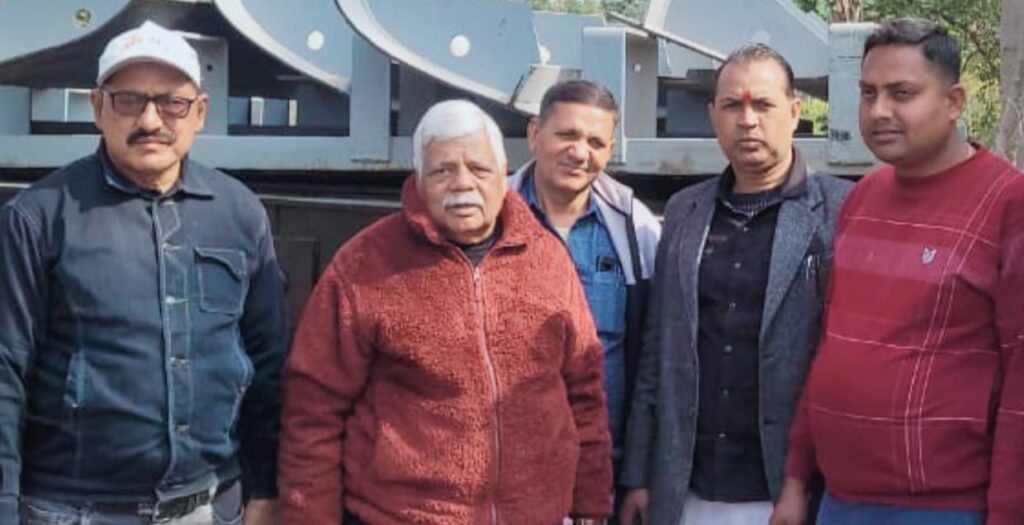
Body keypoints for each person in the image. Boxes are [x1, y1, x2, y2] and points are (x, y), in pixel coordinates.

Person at [0, 20, 287, 525]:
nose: (151, 120)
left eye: (172, 102)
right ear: (97, 107)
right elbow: (5, 373)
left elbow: (269, 364)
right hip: (71, 511)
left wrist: (266, 487)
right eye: (129, 100)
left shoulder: (239, 213)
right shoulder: (38, 218)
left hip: (210, 507)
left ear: (199, 112)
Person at [277, 99, 613, 525]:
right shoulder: (364, 265)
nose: (463, 184)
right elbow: (313, 412)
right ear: (418, 180)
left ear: (503, 172)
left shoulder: (547, 258)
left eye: (479, 169)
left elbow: (584, 393)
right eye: (442, 171)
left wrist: (590, 507)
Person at [773, 18, 1024, 525]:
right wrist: (797, 480)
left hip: (946, 508)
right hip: (839, 500)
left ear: (953, 102)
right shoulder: (862, 198)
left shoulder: (1007, 204)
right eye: (868, 93)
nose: (879, 111)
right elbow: (831, 346)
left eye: (901, 93)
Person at [618, 44, 851, 525]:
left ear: (794, 112)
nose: (747, 121)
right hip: (689, 486)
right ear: (712, 115)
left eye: (763, 104)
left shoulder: (840, 210)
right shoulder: (685, 211)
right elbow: (658, 349)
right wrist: (639, 473)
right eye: (732, 105)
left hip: (789, 490)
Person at [508, 80, 661, 497]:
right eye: (567, 135)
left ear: (610, 150)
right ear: (534, 133)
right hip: (506, 478)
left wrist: (637, 477)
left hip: (600, 476)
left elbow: (653, 360)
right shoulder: (490, 220)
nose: (580, 153)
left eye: (595, 142)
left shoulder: (636, 229)